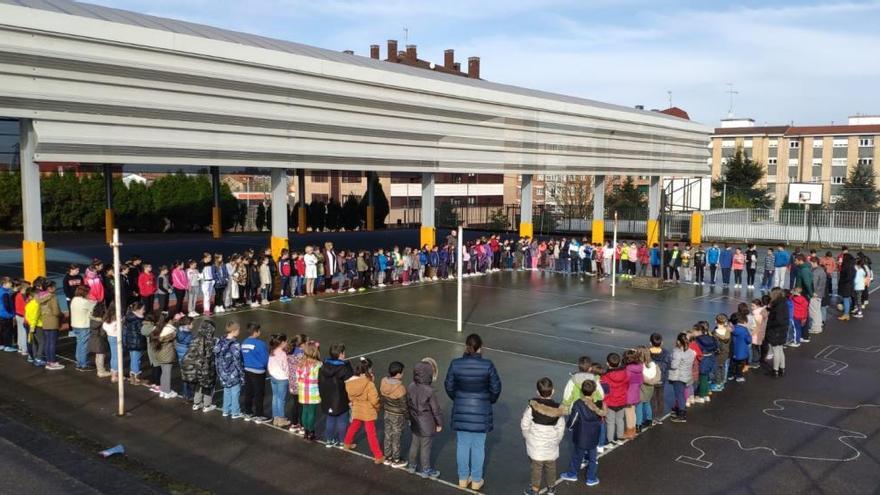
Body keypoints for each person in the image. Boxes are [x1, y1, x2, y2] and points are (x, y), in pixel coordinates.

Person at [445, 333, 502, 491]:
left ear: (466, 346)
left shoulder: (455, 364)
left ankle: (463, 478)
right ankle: (476, 480)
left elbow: (449, 385)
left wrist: (458, 398)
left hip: (461, 409)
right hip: (481, 411)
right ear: (480, 348)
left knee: (462, 445)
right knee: (478, 446)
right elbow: (496, 388)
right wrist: (488, 399)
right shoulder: (487, 365)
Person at [521, 377, 565, 495]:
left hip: (535, 445)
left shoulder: (532, 406)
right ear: (553, 391)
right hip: (551, 445)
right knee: (551, 467)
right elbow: (561, 428)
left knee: (536, 468)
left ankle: (535, 489)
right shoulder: (558, 409)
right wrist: (557, 440)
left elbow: (525, 424)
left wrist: (527, 436)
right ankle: (551, 487)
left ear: (537, 392)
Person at [560, 380, 604, 488]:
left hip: (581, 436)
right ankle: (591, 478)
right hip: (594, 435)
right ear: (594, 392)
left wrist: (569, 427)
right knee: (593, 458)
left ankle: (572, 474)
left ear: (582, 391)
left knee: (577, 456)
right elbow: (600, 420)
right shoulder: (598, 404)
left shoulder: (578, 404)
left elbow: (573, 419)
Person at [342, 357, 384, 463]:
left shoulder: (350, 383)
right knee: (371, 433)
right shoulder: (369, 384)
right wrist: (378, 407)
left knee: (354, 425)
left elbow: (351, 397)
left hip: (357, 408)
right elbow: (374, 400)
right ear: (368, 370)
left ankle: (347, 443)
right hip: (368, 411)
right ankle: (378, 456)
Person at [406, 357, 443, 478]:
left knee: (415, 443)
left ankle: (411, 465)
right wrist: (439, 423)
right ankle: (426, 470)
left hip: (414, 421)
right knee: (425, 447)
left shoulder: (411, 386)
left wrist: (409, 418)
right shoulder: (430, 390)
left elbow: (408, 404)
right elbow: (435, 410)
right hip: (427, 424)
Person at [319, 342, 354, 447]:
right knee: (342, 420)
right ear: (341, 354)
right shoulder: (344, 368)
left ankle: (329, 440)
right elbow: (350, 382)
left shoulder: (324, 366)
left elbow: (319, 381)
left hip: (327, 398)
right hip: (341, 398)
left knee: (330, 418)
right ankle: (343, 441)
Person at [180, 319, 218, 412]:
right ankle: (207, 405)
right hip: (205, 368)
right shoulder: (210, 341)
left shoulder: (195, 338)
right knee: (207, 386)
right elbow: (210, 355)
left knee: (198, 385)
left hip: (195, 368)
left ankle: (196, 403)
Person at [380, 361, 409, 469]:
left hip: (387, 413)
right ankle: (396, 459)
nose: (403, 374)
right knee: (396, 437)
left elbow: (382, 397)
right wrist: (408, 417)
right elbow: (404, 406)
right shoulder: (400, 388)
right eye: (402, 372)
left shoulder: (383, 381)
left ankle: (387, 457)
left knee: (388, 434)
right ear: (398, 374)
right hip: (397, 416)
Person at [214, 321, 244, 419]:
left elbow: (216, 357)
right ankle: (235, 411)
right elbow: (237, 361)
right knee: (235, 392)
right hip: (233, 372)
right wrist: (241, 373)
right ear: (234, 330)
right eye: (238, 330)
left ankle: (226, 410)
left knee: (226, 390)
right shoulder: (235, 344)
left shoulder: (220, 341)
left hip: (222, 372)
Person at [241, 323, 270, 423]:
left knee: (248, 392)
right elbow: (265, 359)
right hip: (258, 372)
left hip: (247, 370)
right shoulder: (260, 344)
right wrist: (266, 367)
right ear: (256, 332)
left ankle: (247, 412)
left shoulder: (244, 342)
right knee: (259, 393)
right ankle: (259, 415)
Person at [295, 341, 322, 441]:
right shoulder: (318, 365)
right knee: (312, 413)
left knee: (304, 411)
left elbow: (297, 377)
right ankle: (311, 431)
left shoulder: (300, 364)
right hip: (313, 392)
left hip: (302, 391)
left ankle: (305, 431)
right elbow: (320, 378)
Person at [599, 353, 627, 444]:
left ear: (608, 363)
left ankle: (610, 440)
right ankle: (620, 437)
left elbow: (605, 392)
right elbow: (627, 386)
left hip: (610, 402)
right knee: (620, 419)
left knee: (610, 422)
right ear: (619, 363)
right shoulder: (625, 373)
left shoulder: (605, 377)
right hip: (622, 400)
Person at [669, 332, 696, 423]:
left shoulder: (677, 352)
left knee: (679, 395)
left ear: (678, 342)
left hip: (678, 377)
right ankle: (679, 409)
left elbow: (674, 365)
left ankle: (681, 414)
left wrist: (671, 360)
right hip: (686, 375)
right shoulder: (691, 352)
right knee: (681, 394)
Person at [150, 314, 177, 398]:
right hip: (168, 354)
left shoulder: (156, 329)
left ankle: (162, 390)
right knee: (167, 373)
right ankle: (167, 392)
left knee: (163, 373)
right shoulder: (171, 330)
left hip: (159, 354)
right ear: (169, 320)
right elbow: (175, 342)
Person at [69, 285, 96, 370]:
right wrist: (94, 300)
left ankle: (79, 362)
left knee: (79, 343)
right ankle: (83, 363)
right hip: (83, 325)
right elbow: (94, 306)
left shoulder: (74, 300)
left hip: (75, 324)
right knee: (84, 345)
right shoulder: (85, 302)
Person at [38, 281, 63, 370]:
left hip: (45, 320)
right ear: (50, 288)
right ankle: (52, 362)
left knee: (47, 342)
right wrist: (61, 315)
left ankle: (49, 361)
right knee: (52, 342)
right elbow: (56, 311)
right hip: (52, 321)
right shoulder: (53, 297)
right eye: (54, 286)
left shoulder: (40, 296)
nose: (55, 288)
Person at [121, 301, 147, 383]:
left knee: (133, 359)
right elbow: (142, 331)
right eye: (143, 309)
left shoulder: (129, 317)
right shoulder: (138, 320)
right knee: (136, 360)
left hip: (130, 341)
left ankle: (132, 376)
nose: (144, 311)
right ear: (138, 310)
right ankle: (136, 378)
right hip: (137, 342)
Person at [766, 288, 789, 377]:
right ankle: (782, 368)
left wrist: (770, 324)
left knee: (776, 350)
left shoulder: (777, 304)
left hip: (776, 330)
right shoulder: (783, 302)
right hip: (783, 329)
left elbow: (778, 319)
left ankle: (775, 370)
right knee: (780, 349)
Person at [648, 334, 670, 424]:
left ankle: (653, 416)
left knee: (652, 399)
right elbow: (669, 365)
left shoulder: (647, 352)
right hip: (661, 378)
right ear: (662, 343)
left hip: (651, 379)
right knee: (660, 397)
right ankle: (659, 416)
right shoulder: (666, 352)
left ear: (650, 343)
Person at [622, 349, 643, 439]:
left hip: (628, 394)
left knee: (628, 413)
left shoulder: (627, 370)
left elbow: (624, 382)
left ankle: (629, 431)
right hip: (636, 393)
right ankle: (633, 430)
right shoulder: (640, 368)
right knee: (633, 412)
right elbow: (641, 381)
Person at [173, 316, 194, 400]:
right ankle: (188, 394)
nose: (193, 325)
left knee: (184, 376)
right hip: (187, 357)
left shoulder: (178, 331)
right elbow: (192, 344)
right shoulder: (188, 335)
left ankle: (185, 393)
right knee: (189, 376)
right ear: (187, 325)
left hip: (180, 356)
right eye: (192, 323)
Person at [695, 324, 718, 402]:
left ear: (698, 331)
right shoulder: (711, 338)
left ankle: (702, 396)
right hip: (710, 359)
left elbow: (697, 351)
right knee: (706, 378)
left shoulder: (697, 340)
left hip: (703, 361)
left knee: (702, 379)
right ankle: (706, 394)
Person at [730, 310, 752, 383]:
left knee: (733, 363)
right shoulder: (744, 330)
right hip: (742, 352)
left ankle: (731, 375)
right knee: (740, 365)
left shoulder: (732, 329)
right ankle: (739, 376)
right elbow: (748, 340)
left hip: (733, 351)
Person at [809, 257, 827, 334]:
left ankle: (815, 328)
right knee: (818, 311)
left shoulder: (815, 271)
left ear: (814, 262)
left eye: (811, 263)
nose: (810, 264)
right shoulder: (822, 270)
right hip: (821, 293)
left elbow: (814, 283)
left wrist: (813, 292)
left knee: (813, 311)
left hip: (815, 294)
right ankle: (818, 326)